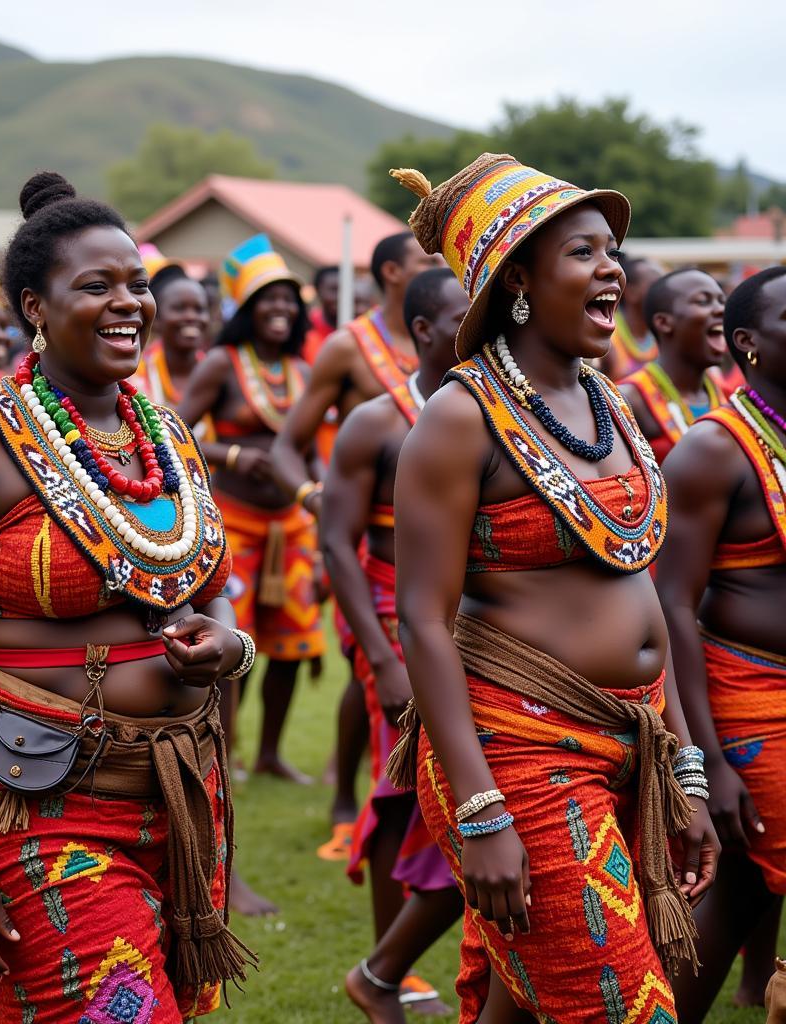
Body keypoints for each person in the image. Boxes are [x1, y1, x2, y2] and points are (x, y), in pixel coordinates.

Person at [0, 172, 254, 1023]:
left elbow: (212, 591)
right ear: (34, 308)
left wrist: (230, 646)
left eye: (136, 283)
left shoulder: (168, 437)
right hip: (39, 802)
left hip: (176, 793)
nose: (129, 302)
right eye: (96, 286)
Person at [386, 154, 719, 1023]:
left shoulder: (609, 401)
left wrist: (682, 768)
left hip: (632, 738)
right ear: (520, 280)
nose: (612, 267)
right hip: (521, 757)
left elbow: (643, 588)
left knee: (525, 1004)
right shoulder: (459, 419)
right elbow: (422, 620)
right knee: (618, 1002)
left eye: (613, 249)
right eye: (584, 252)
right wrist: (481, 810)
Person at [322, 267, 468, 1022]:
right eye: (462, 314)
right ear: (422, 330)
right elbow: (337, 544)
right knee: (400, 787)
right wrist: (380, 656)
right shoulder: (376, 423)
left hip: (472, 624)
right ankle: (389, 970)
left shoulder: (497, 415)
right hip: (390, 620)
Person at [270, 231, 442, 856]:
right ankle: (357, 803)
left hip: (438, 560)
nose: (437, 267)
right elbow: (289, 444)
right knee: (373, 673)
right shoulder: (349, 348)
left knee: (368, 679)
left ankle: (360, 796)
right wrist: (316, 502)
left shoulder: (461, 342)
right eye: (425, 261)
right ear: (393, 272)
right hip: (364, 548)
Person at [657, 266, 786, 1022]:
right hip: (751, 701)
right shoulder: (712, 450)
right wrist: (703, 763)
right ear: (749, 344)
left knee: (738, 894)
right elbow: (672, 604)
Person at [178, 234, 325, 789]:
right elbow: (176, 429)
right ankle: (223, 749)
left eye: (289, 299)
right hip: (233, 523)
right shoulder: (222, 363)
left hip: (291, 526)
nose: (281, 309)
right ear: (246, 308)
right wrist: (234, 453)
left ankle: (269, 752)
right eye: (268, 299)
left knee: (292, 645)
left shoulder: (303, 372)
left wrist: (320, 495)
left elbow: (309, 449)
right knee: (230, 641)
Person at [619, 268, 727, 463]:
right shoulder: (627, 401)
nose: (721, 309)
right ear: (663, 322)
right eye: (703, 301)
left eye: (722, 301)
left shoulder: (727, 396)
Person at [132, 268, 209, 408]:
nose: (191, 316)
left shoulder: (217, 374)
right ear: (156, 319)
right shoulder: (133, 379)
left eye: (199, 309)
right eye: (179, 308)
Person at [599, 256, 663, 379]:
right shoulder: (605, 336)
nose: (664, 292)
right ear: (630, 292)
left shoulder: (663, 334)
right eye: (656, 285)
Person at [302, 264, 338, 364]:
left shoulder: (356, 330)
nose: (340, 296)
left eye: (344, 290)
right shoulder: (305, 326)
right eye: (334, 290)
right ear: (318, 291)